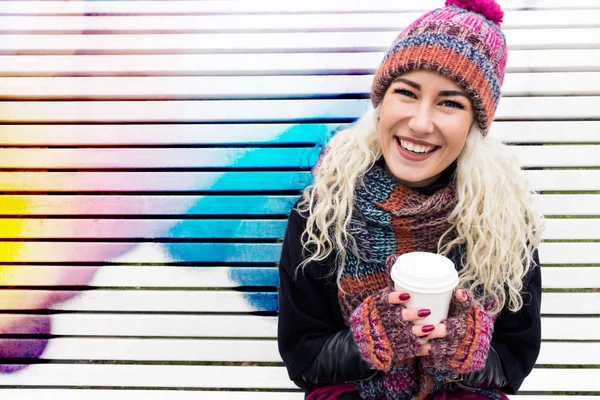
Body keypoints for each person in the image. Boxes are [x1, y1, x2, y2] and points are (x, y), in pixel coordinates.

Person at [277, 0, 544, 399]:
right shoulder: (323, 212)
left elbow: (513, 363)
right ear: (382, 102)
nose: (420, 123)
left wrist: (468, 355)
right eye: (407, 93)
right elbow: (305, 361)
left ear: (475, 122)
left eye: (450, 103)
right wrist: (366, 345)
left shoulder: (504, 221)